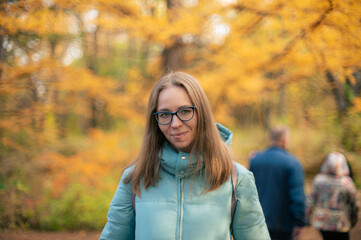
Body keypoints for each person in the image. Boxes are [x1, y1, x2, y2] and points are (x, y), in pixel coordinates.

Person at [99, 72, 270, 240]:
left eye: (185, 111)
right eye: (164, 114)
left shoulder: (236, 178)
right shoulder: (135, 177)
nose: (175, 124)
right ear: (155, 120)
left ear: (201, 113)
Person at [249, 126, 307, 240]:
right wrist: (299, 222)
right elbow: (298, 197)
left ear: (270, 139)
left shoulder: (255, 161)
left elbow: (248, 191)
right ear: (285, 139)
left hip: (257, 222)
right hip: (282, 226)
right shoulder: (293, 163)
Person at [306, 152, 359, 240]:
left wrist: (306, 217)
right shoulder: (346, 183)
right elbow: (354, 205)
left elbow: (310, 201)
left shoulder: (318, 181)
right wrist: (353, 220)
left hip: (323, 223)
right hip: (341, 224)